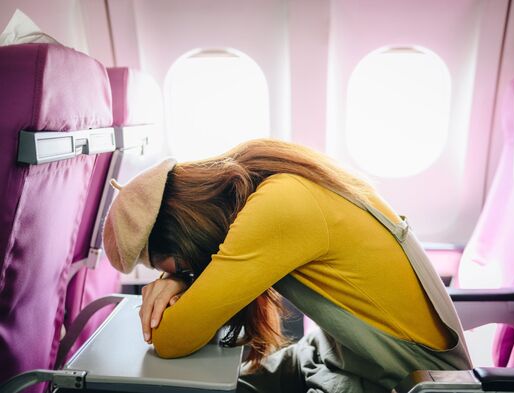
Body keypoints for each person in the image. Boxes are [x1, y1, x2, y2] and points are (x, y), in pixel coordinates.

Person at [103, 139, 471, 393]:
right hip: (339, 354)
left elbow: (171, 341)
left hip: (405, 378)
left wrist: (179, 284)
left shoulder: (279, 208)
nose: (176, 271)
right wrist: (180, 280)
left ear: (183, 235)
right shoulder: (269, 180)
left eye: (172, 264)